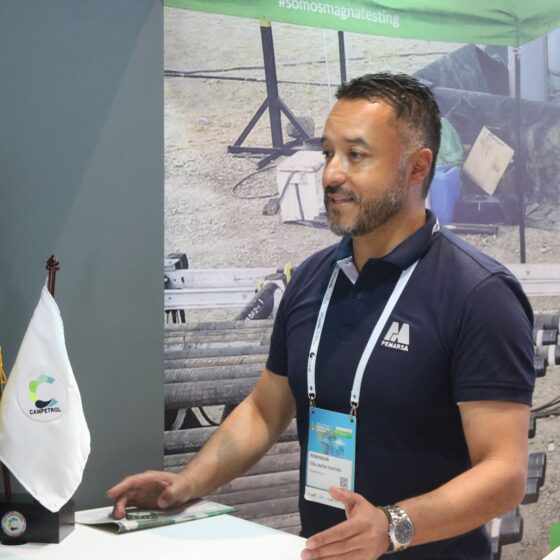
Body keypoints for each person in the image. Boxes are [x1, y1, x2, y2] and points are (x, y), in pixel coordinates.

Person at [108, 73, 535, 559]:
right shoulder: (313, 279)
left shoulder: (479, 295)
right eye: (329, 152)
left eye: (356, 155)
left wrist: (392, 526)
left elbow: (504, 473)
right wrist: (184, 485)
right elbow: (265, 409)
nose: (331, 174)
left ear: (416, 167)